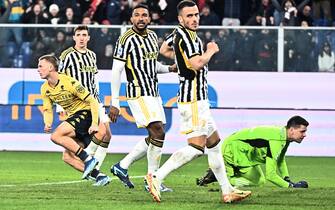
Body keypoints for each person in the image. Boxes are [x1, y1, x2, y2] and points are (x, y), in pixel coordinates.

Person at [146, 0, 251, 204]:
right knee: (196, 147)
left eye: (196, 15)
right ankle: (156, 176)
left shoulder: (177, 33)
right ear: (181, 18)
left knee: (214, 144)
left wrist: (181, 61)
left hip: (197, 98)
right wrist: (211, 50)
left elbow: (164, 50)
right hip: (193, 99)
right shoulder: (190, 38)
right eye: (189, 16)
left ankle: (227, 190)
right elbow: (196, 64)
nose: (194, 19)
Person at [109, 3, 175, 192]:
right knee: (159, 132)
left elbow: (151, 65)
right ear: (131, 19)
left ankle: (122, 166)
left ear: (149, 18)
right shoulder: (125, 39)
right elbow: (116, 70)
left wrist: (169, 69)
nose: (140, 18)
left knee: (154, 135)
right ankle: (152, 179)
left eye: (144, 15)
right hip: (137, 92)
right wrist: (115, 102)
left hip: (153, 92)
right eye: (136, 15)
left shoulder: (153, 36)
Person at [38, 54, 110, 185]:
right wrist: (47, 123)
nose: (38, 69)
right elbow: (48, 109)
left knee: (56, 136)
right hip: (75, 118)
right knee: (67, 157)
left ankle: (87, 158)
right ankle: (99, 176)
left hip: (85, 113)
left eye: (40, 66)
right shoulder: (45, 88)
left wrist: (94, 123)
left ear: (50, 67)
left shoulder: (69, 82)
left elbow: (92, 100)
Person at [58, 25, 112, 183]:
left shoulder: (92, 56)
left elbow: (95, 79)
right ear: (74, 37)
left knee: (107, 135)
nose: (81, 37)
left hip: (94, 102)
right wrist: (61, 107)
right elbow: (60, 82)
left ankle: (95, 169)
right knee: (69, 154)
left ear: (88, 38)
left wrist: (99, 100)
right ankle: (92, 165)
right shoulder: (67, 55)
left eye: (84, 35)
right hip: (78, 105)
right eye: (78, 35)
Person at [196, 116, 309, 189]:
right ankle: (220, 176)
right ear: (292, 130)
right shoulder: (277, 140)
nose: (304, 135)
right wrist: (291, 186)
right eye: (302, 131)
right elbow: (271, 175)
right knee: (258, 181)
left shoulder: (283, 136)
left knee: (259, 181)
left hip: (242, 151)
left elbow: (280, 159)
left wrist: (287, 178)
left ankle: (221, 174)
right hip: (235, 149)